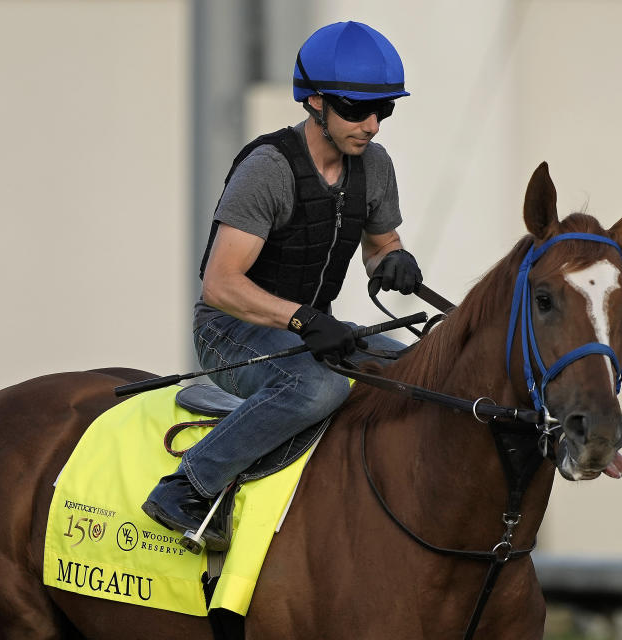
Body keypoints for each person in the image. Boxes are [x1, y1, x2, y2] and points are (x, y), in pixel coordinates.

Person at [142, 21, 423, 553]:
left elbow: (381, 243)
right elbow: (221, 285)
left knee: (423, 369)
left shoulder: (375, 165)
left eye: (384, 110)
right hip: (231, 330)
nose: (373, 126)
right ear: (315, 102)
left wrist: (395, 259)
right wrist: (303, 319)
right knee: (318, 388)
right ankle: (189, 486)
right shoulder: (268, 168)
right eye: (357, 110)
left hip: (312, 327)